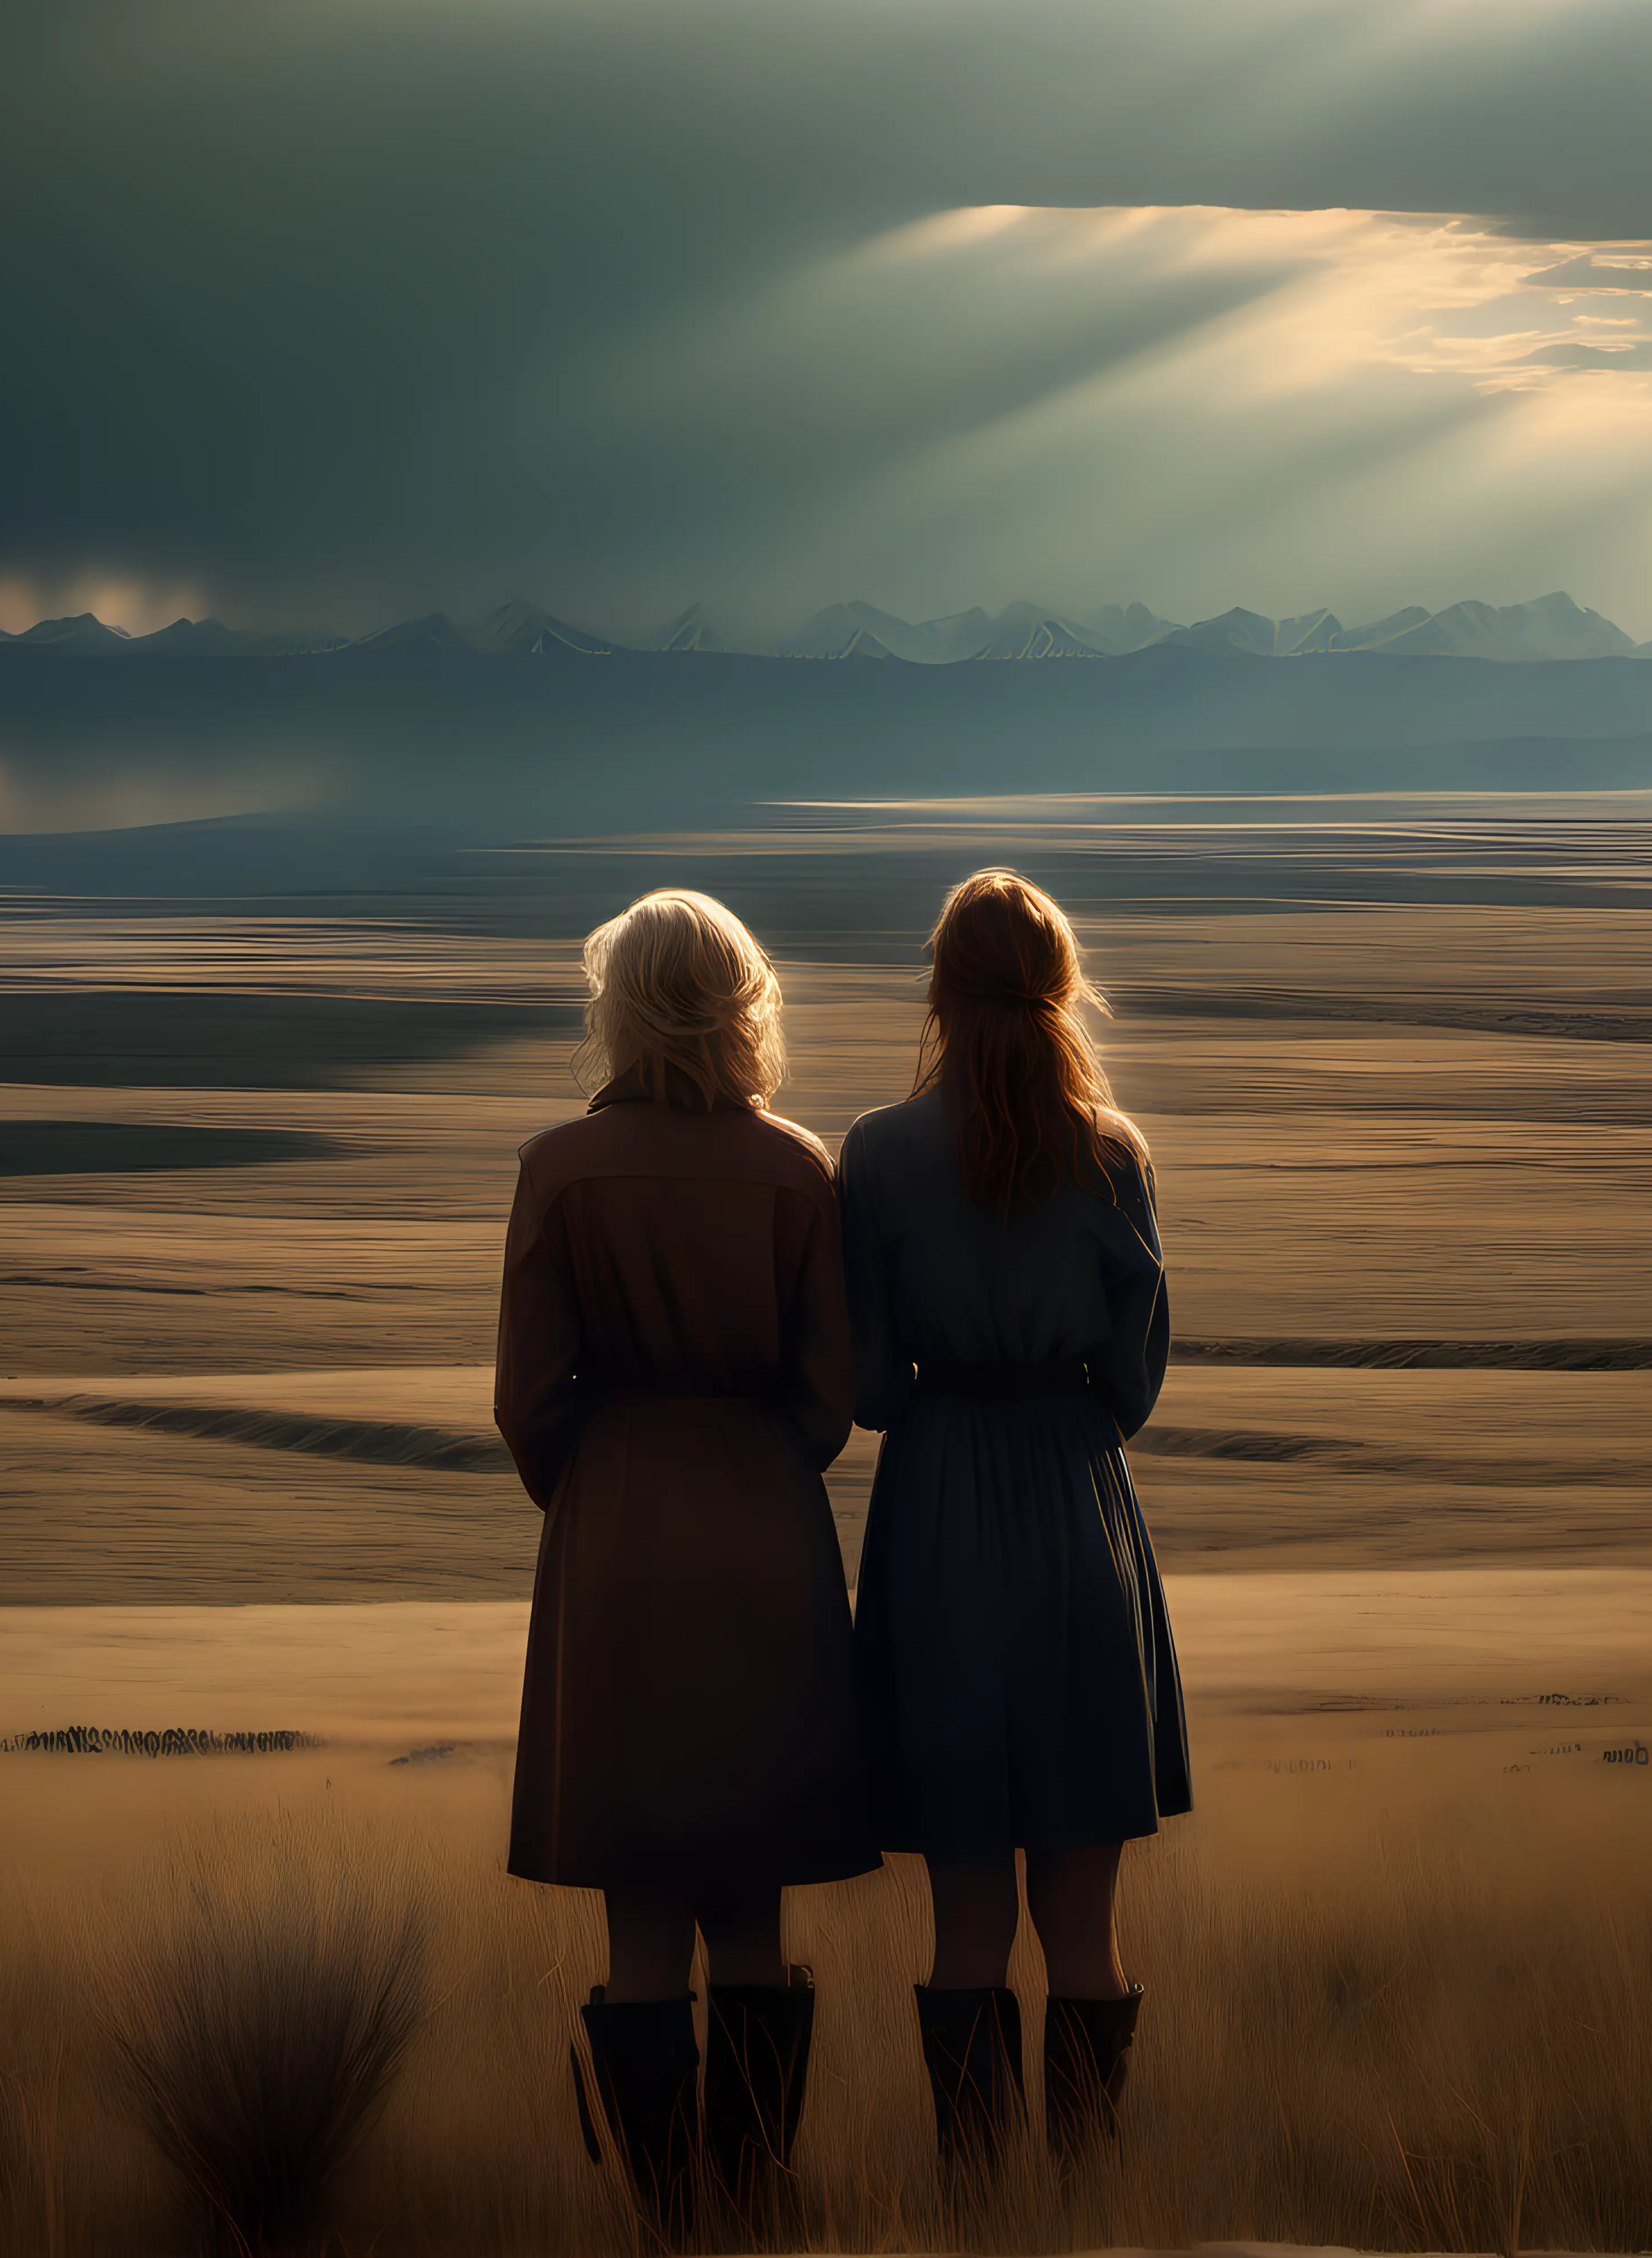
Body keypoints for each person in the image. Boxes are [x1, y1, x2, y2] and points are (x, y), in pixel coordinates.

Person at [496, 888, 874, 2240]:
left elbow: (528, 1401)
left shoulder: (557, 1167)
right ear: (743, 1002)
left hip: (615, 1542)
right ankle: (757, 2198)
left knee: (639, 1895)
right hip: (765, 1531)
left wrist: (601, 1488)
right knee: (751, 1893)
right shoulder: (798, 1167)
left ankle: (668, 2222)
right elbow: (831, 1392)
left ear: (618, 1003)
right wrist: (756, 1471)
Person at [838, 868, 1190, 2181]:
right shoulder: (1114, 1150)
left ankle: (979, 2204)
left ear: (938, 987)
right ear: (1061, 985)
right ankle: (1085, 2196)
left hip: (937, 1526)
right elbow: (1136, 1379)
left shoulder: (874, 1151)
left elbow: (870, 1388)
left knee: (966, 1928)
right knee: (1087, 1934)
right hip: (1077, 1506)